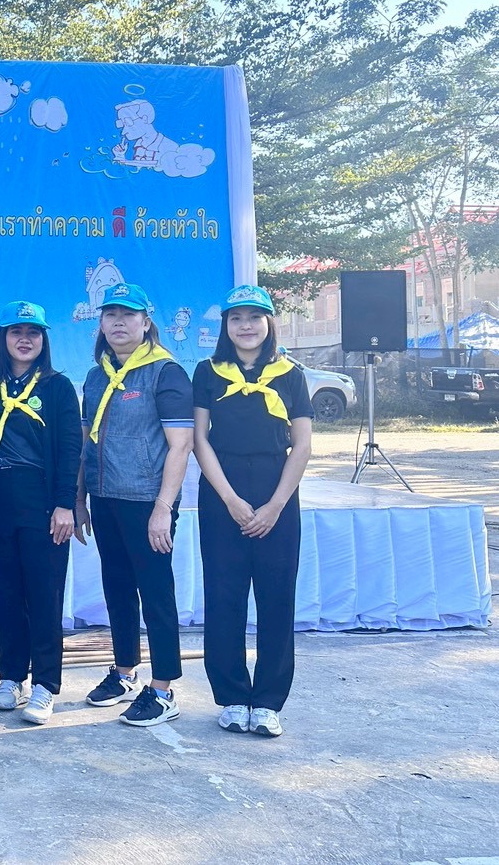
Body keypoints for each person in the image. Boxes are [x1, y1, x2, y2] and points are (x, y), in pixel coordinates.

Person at [193, 285, 312, 739]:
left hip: (276, 491)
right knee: (223, 596)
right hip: (222, 493)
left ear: (269, 323)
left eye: (254, 317)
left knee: (276, 598)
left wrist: (276, 505)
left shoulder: (290, 374)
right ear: (225, 326)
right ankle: (231, 696)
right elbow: (200, 440)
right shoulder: (207, 372)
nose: (246, 326)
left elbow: (302, 444)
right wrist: (230, 499)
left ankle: (267, 702)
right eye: (236, 318)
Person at [75, 281, 193, 727]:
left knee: (156, 592)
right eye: (111, 315)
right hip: (105, 498)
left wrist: (164, 506)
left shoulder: (165, 373)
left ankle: (163, 689)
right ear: (101, 324)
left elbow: (181, 446)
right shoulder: (96, 376)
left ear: (146, 323)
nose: (119, 322)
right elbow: (85, 441)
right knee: (118, 588)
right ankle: (125, 671)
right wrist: (79, 497)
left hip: (147, 501)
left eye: (128, 314)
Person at [0, 301, 82, 725]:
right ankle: (11, 676)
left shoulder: (57, 387)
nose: (24, 339)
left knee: (44, 594)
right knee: (6, 591)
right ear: (2, 337)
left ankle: (45, 684)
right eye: (16, 332)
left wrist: (65, 504)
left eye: (33, 332)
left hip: (43, 502)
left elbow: (70, 449)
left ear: (44, 339)